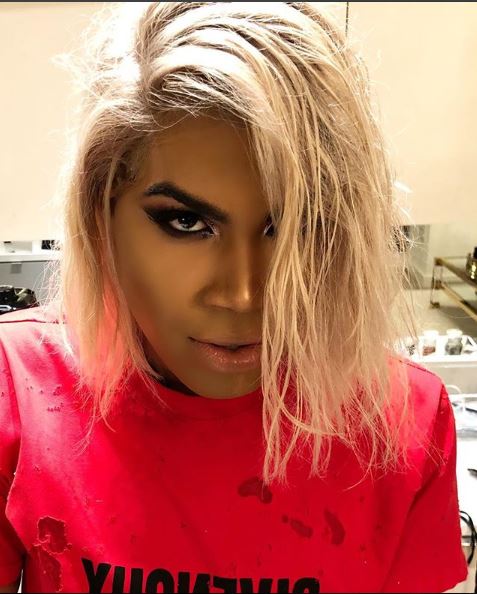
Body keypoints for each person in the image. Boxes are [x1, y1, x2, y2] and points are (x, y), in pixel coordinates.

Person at [0, 2, 468, 593]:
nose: (244, 295)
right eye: (186, 222)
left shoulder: (402, 419)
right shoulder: (18, 387)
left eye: (295, 226)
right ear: (101, 214)